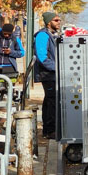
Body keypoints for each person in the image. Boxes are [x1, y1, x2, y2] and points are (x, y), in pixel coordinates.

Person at [35, 11, 62, 139]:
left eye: (59, 20)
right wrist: (57, 67)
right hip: (48, 74)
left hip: (51, 73)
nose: (59, 22)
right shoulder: (42, 35)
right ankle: (50, 130)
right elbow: (42, 57)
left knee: (49, 101)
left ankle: (47, 130)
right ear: (48, 22)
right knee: (52, 102)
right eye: (56, 20)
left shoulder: (52, 35)